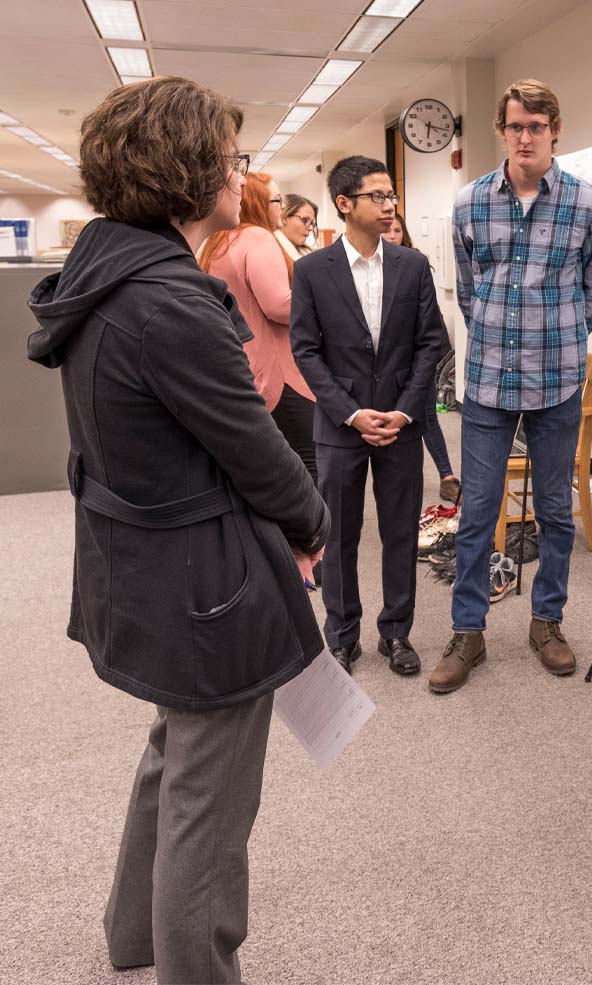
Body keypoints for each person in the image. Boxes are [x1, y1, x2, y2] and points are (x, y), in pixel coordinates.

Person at [26, 77, 329, 984]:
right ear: (191, 170)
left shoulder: (107, 271)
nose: (241, 172)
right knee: (210, 806)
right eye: (231, 157)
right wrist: (313, 522)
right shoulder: (169, 300)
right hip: (205, 589)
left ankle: (135, 938)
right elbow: (257, 451)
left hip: (143, 569)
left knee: (175, 758)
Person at [428, 79, 592, 694]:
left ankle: (547, 622)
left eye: (537, 125)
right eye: (516, 126)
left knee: (555, 511)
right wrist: (502, 331)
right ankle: (468, 632)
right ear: (501, 131)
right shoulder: (470, 202)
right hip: (486, 381)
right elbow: (469, 284)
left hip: (557, 381)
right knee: (478, 512)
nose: (526, 136)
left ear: (554, 130)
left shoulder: (589, 204)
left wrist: (556, 335)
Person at [291, 156, 443, 677]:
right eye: (377, 196)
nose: (389, 206)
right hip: (340, 427)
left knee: (401, 531)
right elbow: (305, 351)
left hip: (401, 425)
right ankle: (342, 636)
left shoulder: (412, 265)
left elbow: (432, 344)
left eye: (391, 197)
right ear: (345, 204)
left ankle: (396, 634)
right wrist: (352, 413)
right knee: (340, 535)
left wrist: (403, 411)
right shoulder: (311, 270)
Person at [199, 174, 320, 581]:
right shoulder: (257, 239)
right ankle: (307, 557)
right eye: (273, 201)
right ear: (254, 203)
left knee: (266, 465)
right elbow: (279, 305)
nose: (278, 209)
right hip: (281, 371)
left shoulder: (217, 243)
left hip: (244, 367)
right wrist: (327, 293)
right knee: (305, 464)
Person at [382, 212, 461, 503]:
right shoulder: (374, 267)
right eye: (388, 231)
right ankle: (422, 480)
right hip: (389, 361)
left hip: (419, 356)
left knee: (427, 416)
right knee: (405, 419)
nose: (392, 235)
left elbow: (428, 314)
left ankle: (447, 477)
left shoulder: (416, 263)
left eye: (397, 230)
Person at [278, 192, 319, 259]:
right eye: (305, 220)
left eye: (312, 223)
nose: (311, 228)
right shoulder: (271, 251)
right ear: (284, 218)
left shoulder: (306, 253)